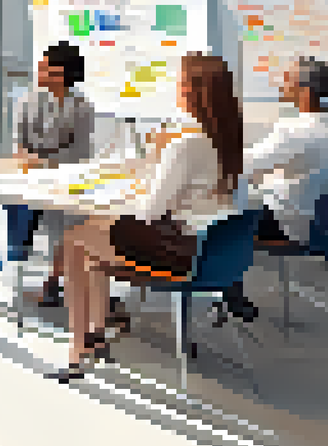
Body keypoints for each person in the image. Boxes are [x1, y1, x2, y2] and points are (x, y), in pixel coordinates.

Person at [52, 54, 244, 383]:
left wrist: (155, 156)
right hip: (209, 247)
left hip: (181, 250)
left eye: (181, 80)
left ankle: (79, 346)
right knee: (88, 240)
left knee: (75, 240)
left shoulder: (184, 143)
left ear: (192, 90)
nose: (176, 86)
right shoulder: (226, 139)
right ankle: (95, 332)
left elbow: (149, 212)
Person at [8, 42, 96, 307]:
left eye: (46, 68)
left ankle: (55, 278)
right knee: (21, 215)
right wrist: (32, 160)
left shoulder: (81, 106)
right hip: (30, 177)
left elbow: (80, 152)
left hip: (65, 178)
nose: (40, 71)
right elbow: (19, 144)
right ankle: (27, 270)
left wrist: (44, 161)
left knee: (65, 223)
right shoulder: (27, 101)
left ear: (61, 73)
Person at [245, 57, 328, 249]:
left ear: (306, 92)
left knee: (220, 223)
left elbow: (244, 167)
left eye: (287, 79)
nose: (281, 85)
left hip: (289, 225)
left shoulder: (294, 130)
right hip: (319, 224)